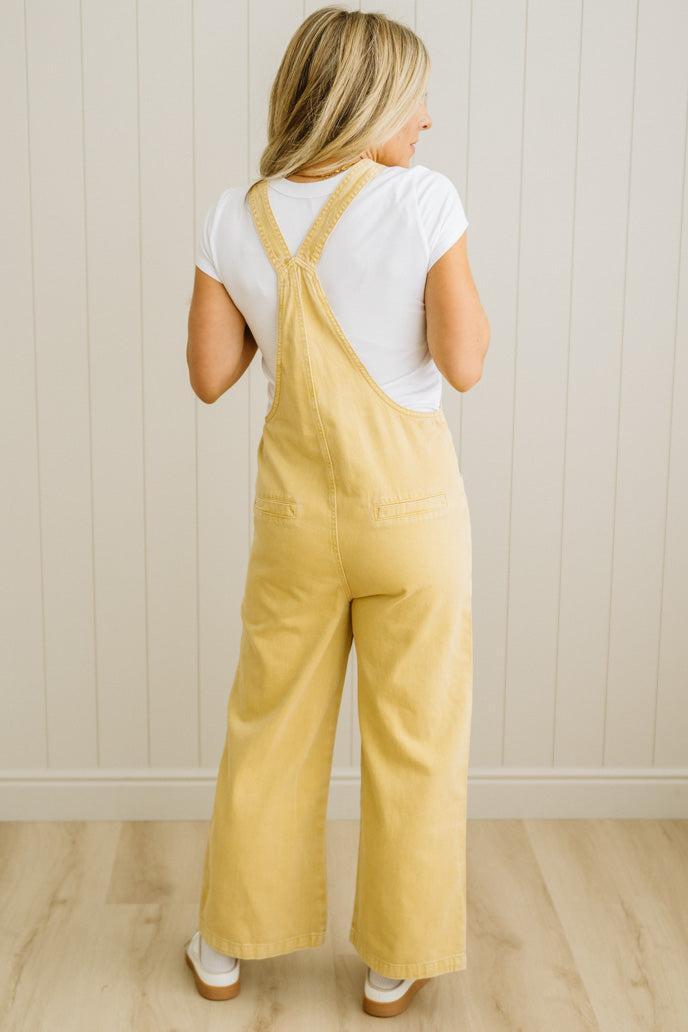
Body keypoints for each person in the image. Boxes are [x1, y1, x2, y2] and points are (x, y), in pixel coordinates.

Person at [184, 5, 489, 1019]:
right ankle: (394, 959)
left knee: (268, 727)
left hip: (296, 525)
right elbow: (465, 361)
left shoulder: (236, 213)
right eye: (415, 98)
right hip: (412, 522)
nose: (428, 122)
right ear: (364, 102)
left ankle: (227, 943)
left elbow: (211, 375)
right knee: (414, 740)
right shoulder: (422, 202)